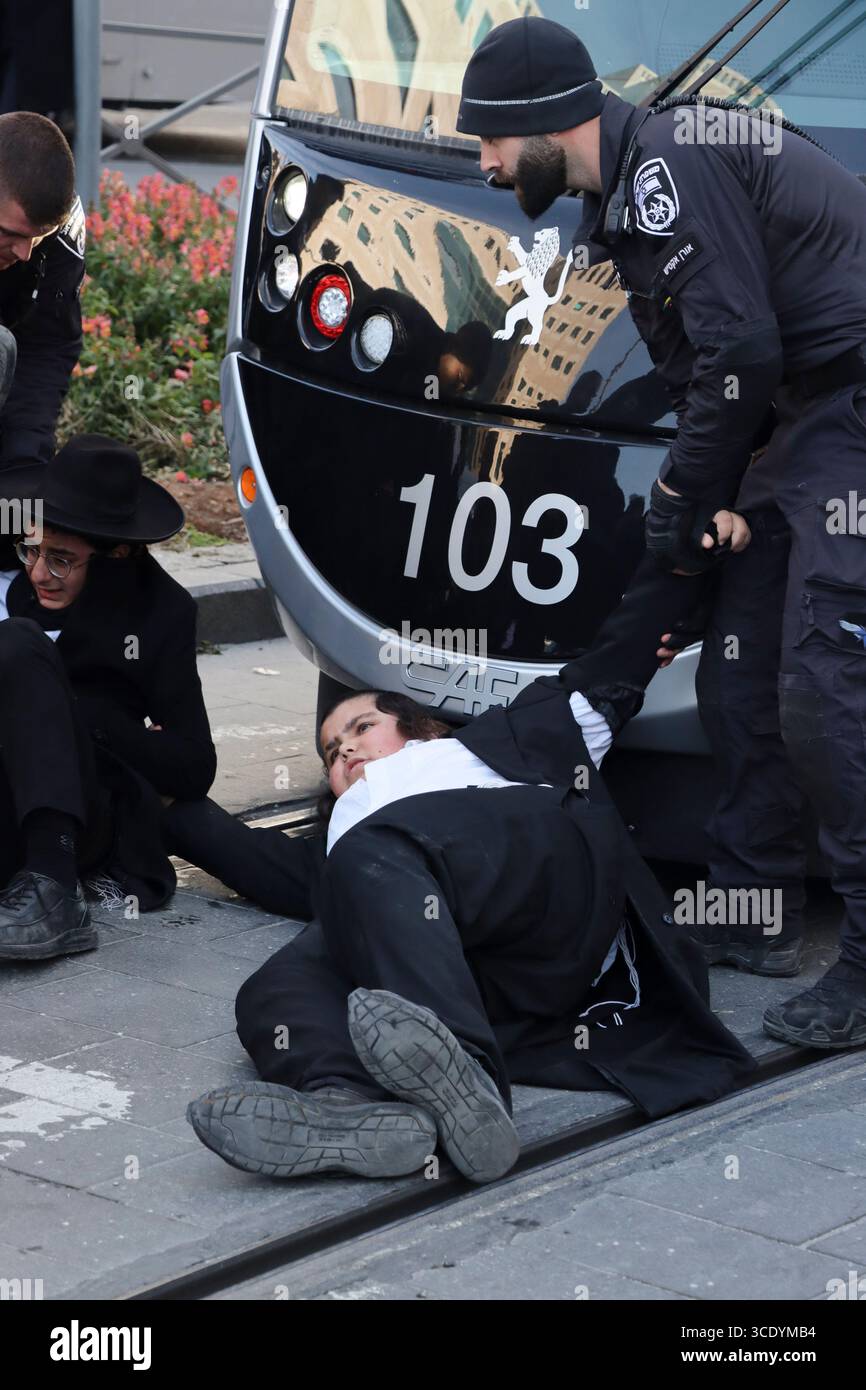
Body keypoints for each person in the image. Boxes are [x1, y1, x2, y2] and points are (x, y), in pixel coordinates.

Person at [456, 15, 866, 1050]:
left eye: (491, 141)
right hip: (793, 417)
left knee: (820, 681)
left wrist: (689, 496)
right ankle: (754, 906)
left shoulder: (670, 163)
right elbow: (702, 375)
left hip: (847, 406)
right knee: (739, 664)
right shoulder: (629, 193)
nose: (485, 164)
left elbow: (736, 347)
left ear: (544, 124)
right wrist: (712, 495)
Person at [174, 558, 755, 1185]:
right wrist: (130, 766)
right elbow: (233, 848)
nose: (343, 748)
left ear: (423, 726)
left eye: (361, 726)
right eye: (330, 752)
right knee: (275, 985)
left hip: (548, 888)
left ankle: (469, 1084)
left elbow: (622, 651)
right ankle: (350, 1107)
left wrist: (686, 537)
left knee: (374, 854)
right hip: (466, 962)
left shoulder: (509, 737)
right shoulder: (337, 846)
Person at [0, 435, 216, 960]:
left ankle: (54, 890)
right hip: (10, 794)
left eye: (60, 560)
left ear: (117, 553)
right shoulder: (31, 581)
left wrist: (90, 719)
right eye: (30, 550)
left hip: (83, 809)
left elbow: (192, 764)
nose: (36, 573)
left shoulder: (162, 612)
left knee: (16, 642)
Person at [0, 112, 84, 476]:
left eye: (39, 237)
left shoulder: (60, 234)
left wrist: (24, 470)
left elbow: (47, 347)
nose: (25, 253)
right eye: (12, 235)